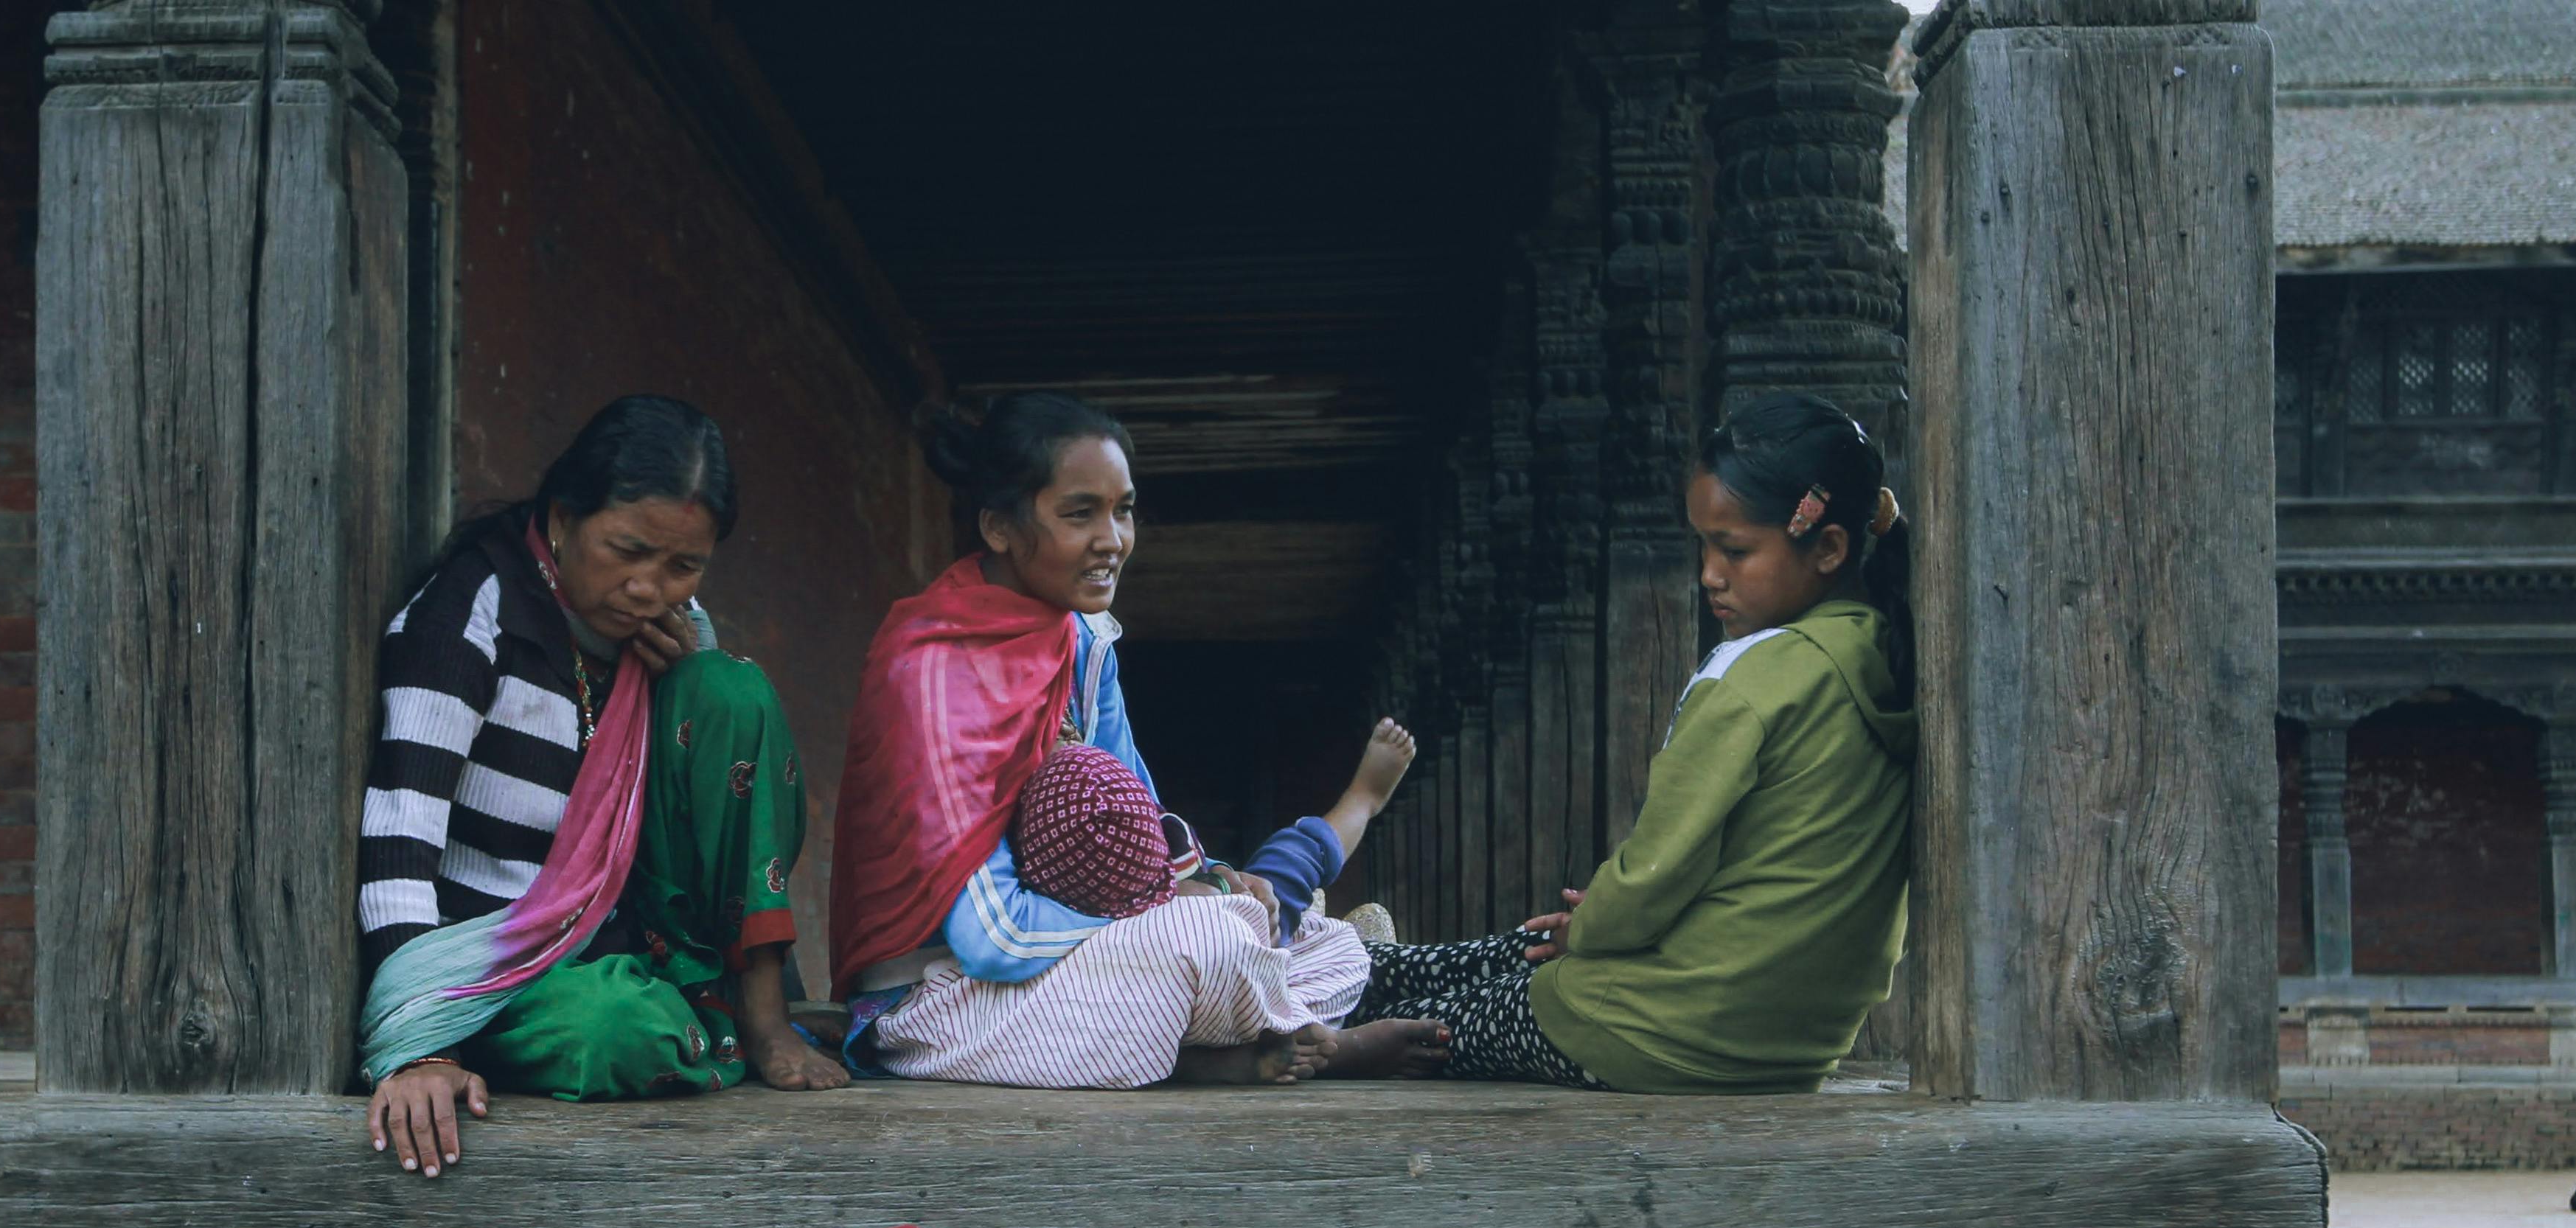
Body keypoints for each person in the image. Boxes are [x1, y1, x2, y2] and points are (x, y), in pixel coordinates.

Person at [827, 393, 1447, 1087]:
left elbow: (1143, 828)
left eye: (1122, 510)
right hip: (946, 990)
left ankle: (1216, 1046)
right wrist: (1177, 909)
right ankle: (1284, 1045)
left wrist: (1212, 881)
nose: (1112, 539)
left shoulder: (1085, 638)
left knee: (1324, 945)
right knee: (1209, 941)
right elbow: (993, 939)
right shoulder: (934, 672)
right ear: (999, 527)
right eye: (1078, 513)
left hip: (1089, 952)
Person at [1334, 393, 1917, 1092]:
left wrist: (1592, 927)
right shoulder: (1879, 651)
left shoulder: (1755, 677)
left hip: (1658, 1027)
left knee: (1430, 1016)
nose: (1709, 574)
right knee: (1514, 951)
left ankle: (1320, 1003)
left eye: (1733, 550)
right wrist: (1598, 922)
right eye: (1703, 545)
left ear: (1827, 547)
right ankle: (1349, 965)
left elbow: (1656, 871)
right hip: (1788, 1041)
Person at [357, 397, 849, 1177]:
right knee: (619, 1031)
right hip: (496, 971)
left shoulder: (669, 630)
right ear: (562, 517)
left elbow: (707, 794)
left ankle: (756, 1013)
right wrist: (423, 1048)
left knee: (730, 691)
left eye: (681, 566)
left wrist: (684, 672)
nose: (649, 588)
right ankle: (690, 1025)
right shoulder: (469, 615)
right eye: (627, 551)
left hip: (630, 937)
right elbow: (398, 831)